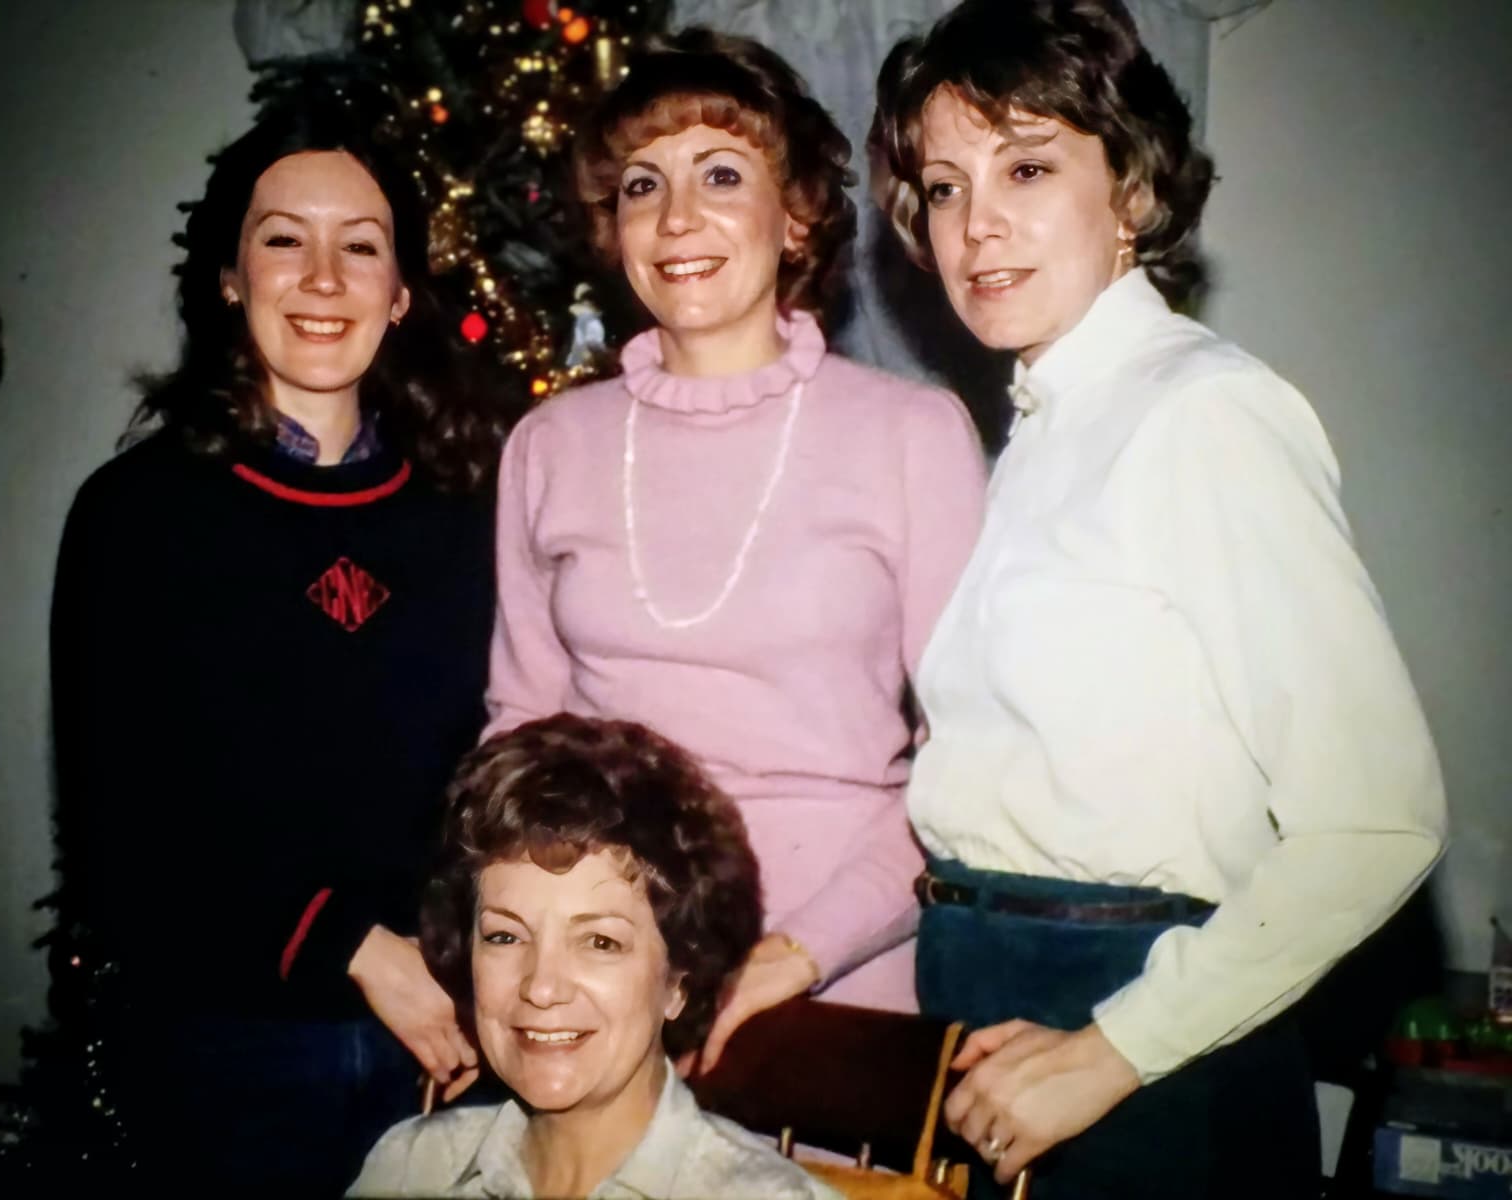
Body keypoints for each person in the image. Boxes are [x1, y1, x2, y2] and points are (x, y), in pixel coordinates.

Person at [869, 2, 1447, 1196]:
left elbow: (1376, 821)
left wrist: (1111, 1051)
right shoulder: (1042, 430)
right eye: (942, 186)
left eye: (1027, 167)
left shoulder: (1200, 413)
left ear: (1130, 190)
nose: (977, 226)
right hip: (995, 1006)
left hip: (1136, 1036)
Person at [485, 28, 986, 1065]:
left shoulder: (912, 434)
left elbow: (971, 767)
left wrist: (791, 956)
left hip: (834, 971)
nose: (676, 220)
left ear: (795, 212)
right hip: (603, 979)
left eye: (721, 174)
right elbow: (520, 733)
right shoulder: (547, 446)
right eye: (639, 186)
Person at [49, 87, 505, 1192]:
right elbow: (121, 833)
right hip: (227, 1051)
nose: (322, 279)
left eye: (361, 248)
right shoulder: (138, 513)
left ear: (400, 295)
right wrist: (356, 948)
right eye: (282, 242)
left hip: (449, 1047)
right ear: (226, 277)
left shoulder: (466, 511)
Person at [348, 714, 841, 1199]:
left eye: (600, 943)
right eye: (505, 937)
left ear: (679, 982)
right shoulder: (411, 1168)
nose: (541, 987)